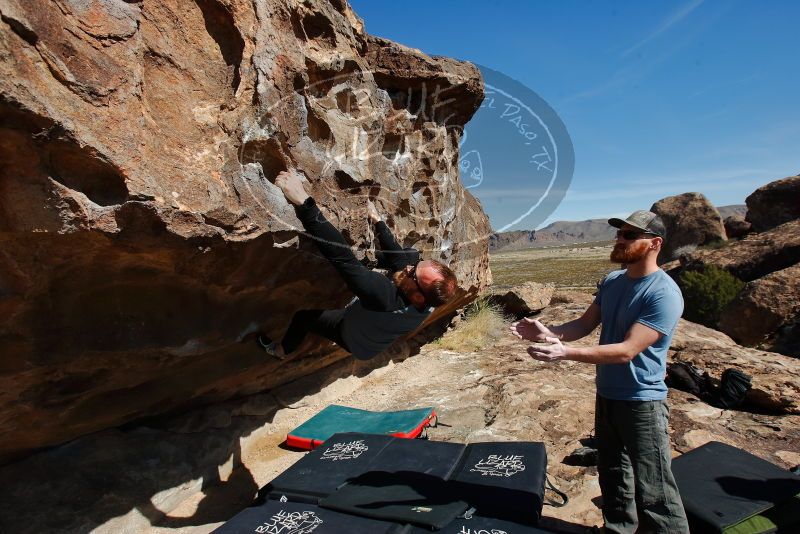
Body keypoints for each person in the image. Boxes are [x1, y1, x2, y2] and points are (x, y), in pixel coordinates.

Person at [509, 210, 689, 534]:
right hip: (607, 395)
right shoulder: (613, 281)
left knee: (655, 488)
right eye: (620, 234)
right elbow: (584, 324)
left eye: (630, 235)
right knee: (614, 475)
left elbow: (627, 350)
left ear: (654, 244)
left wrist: (565, 353)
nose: (620, 239)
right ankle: (618, 530)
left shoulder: (663, 293)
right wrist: (548, 333)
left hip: (642, 402)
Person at [257, 170, 458, 361]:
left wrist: (304, 202)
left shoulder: (383, 296)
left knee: (303, 318)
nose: (409, 267)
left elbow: (342, 257)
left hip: (351, 337)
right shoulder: (428, 300)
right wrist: (378, 221)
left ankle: (282, 350)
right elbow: (401, 260)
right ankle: (371, 264)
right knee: (409, 254)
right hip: (373, 337)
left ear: (417, 295)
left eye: (413, 272)